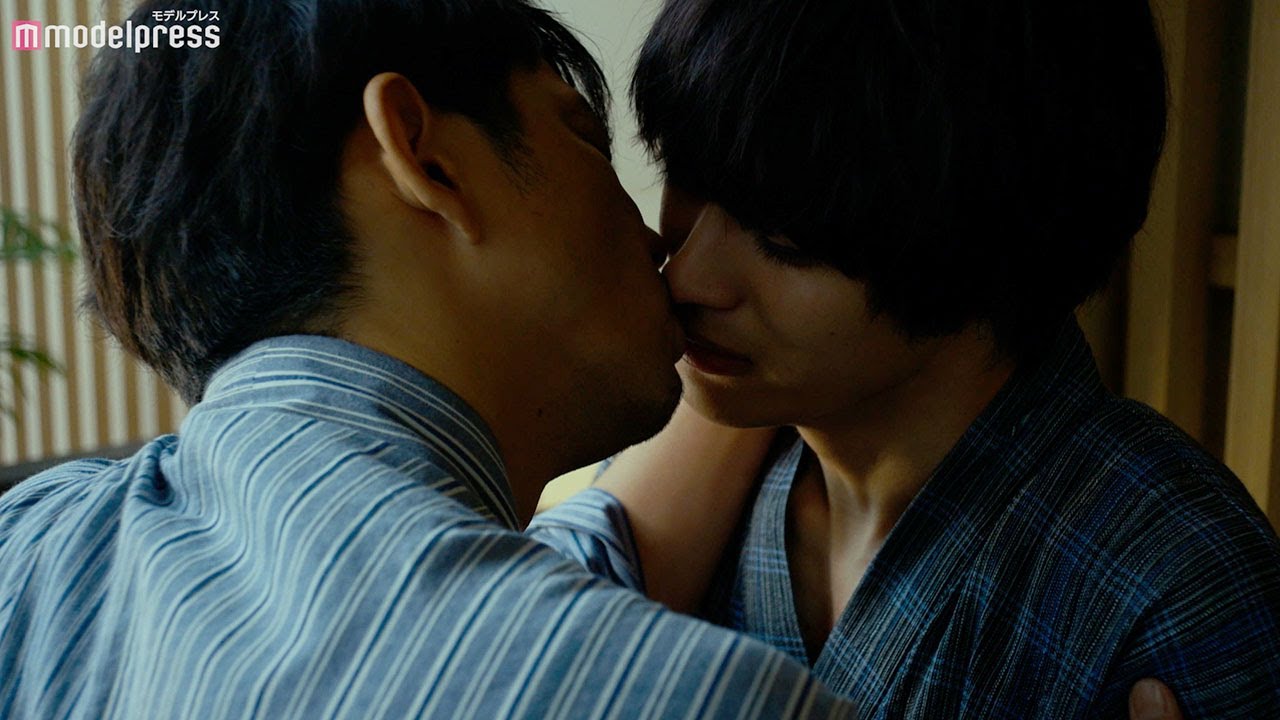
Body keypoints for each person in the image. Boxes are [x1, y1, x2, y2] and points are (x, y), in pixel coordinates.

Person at [0, 0, 1192, 718]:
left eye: (784, 228)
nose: (671, 251)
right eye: (587, 137)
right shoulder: (675, 694)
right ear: (423, 156)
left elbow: (572, 564)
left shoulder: (33, 545)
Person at [529, 0, 1280, 717]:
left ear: (981, 243)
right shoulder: (714, 472)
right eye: (689, 178)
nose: (687, 274)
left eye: (787, 241)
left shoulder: (1173, 588)